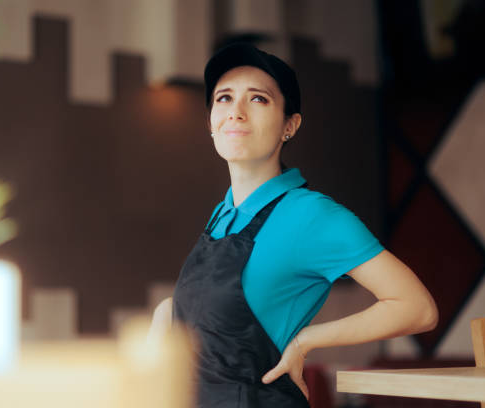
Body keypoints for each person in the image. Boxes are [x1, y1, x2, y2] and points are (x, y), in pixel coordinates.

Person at [148, 42, 438, 408]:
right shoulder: (224, 213)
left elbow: (417, 307)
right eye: (223, 98)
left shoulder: (311, 215)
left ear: (290, 125)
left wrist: (306, 340)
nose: (235, 112)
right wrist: (167, 313)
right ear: (210, 122)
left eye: (257, 99)